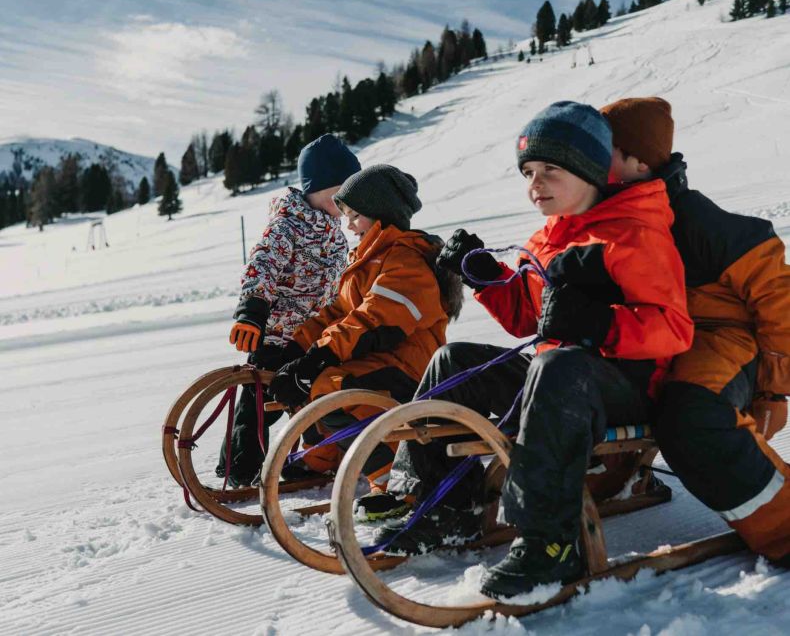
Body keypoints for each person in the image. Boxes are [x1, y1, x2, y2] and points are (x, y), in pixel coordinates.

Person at [375, 101, 693, 599]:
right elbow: (528, 319)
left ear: (589, 170)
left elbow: (674, 329)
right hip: (556, 376)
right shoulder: (549, 236)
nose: (535, 183)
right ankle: (444, 507)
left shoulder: (635, 231)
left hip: (623, 384)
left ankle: (550, 542)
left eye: (550, 170)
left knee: (557, 365)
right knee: (453, 360)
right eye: (528, 171)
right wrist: (482, 276)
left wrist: (600, 323)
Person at [601, 96, 790, 563]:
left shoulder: (695, 218)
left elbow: (775, 289)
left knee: (690, 416)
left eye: (602, 149)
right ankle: (606, 481)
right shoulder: (603, 213)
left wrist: (774, 386)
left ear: (637, 161)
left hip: (720, 337)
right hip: (651, 337)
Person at [267, 164, 462, 519]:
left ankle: (392, 483)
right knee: (309, 380)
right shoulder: (369, 258)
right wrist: (296, 349)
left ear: (382, 215)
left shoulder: (406, 262)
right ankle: (323, 457)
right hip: (380, 361)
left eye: (356, 215)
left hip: (411, 371)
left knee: (328, 384)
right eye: (346, 215)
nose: (349, 225)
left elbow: (371, 320)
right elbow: (337, 313)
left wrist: (317, 359)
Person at [216, 134, 360, 487]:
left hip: (311, 337)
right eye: (337, 193)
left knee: (311, 398)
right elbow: (262, 265)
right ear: (315, 189)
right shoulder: (288, 224)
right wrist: (252, 311)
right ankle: (239, 470)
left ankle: (317, 457)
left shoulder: (336, 235)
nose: (343, 203)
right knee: (257, 406)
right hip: (276, 335)